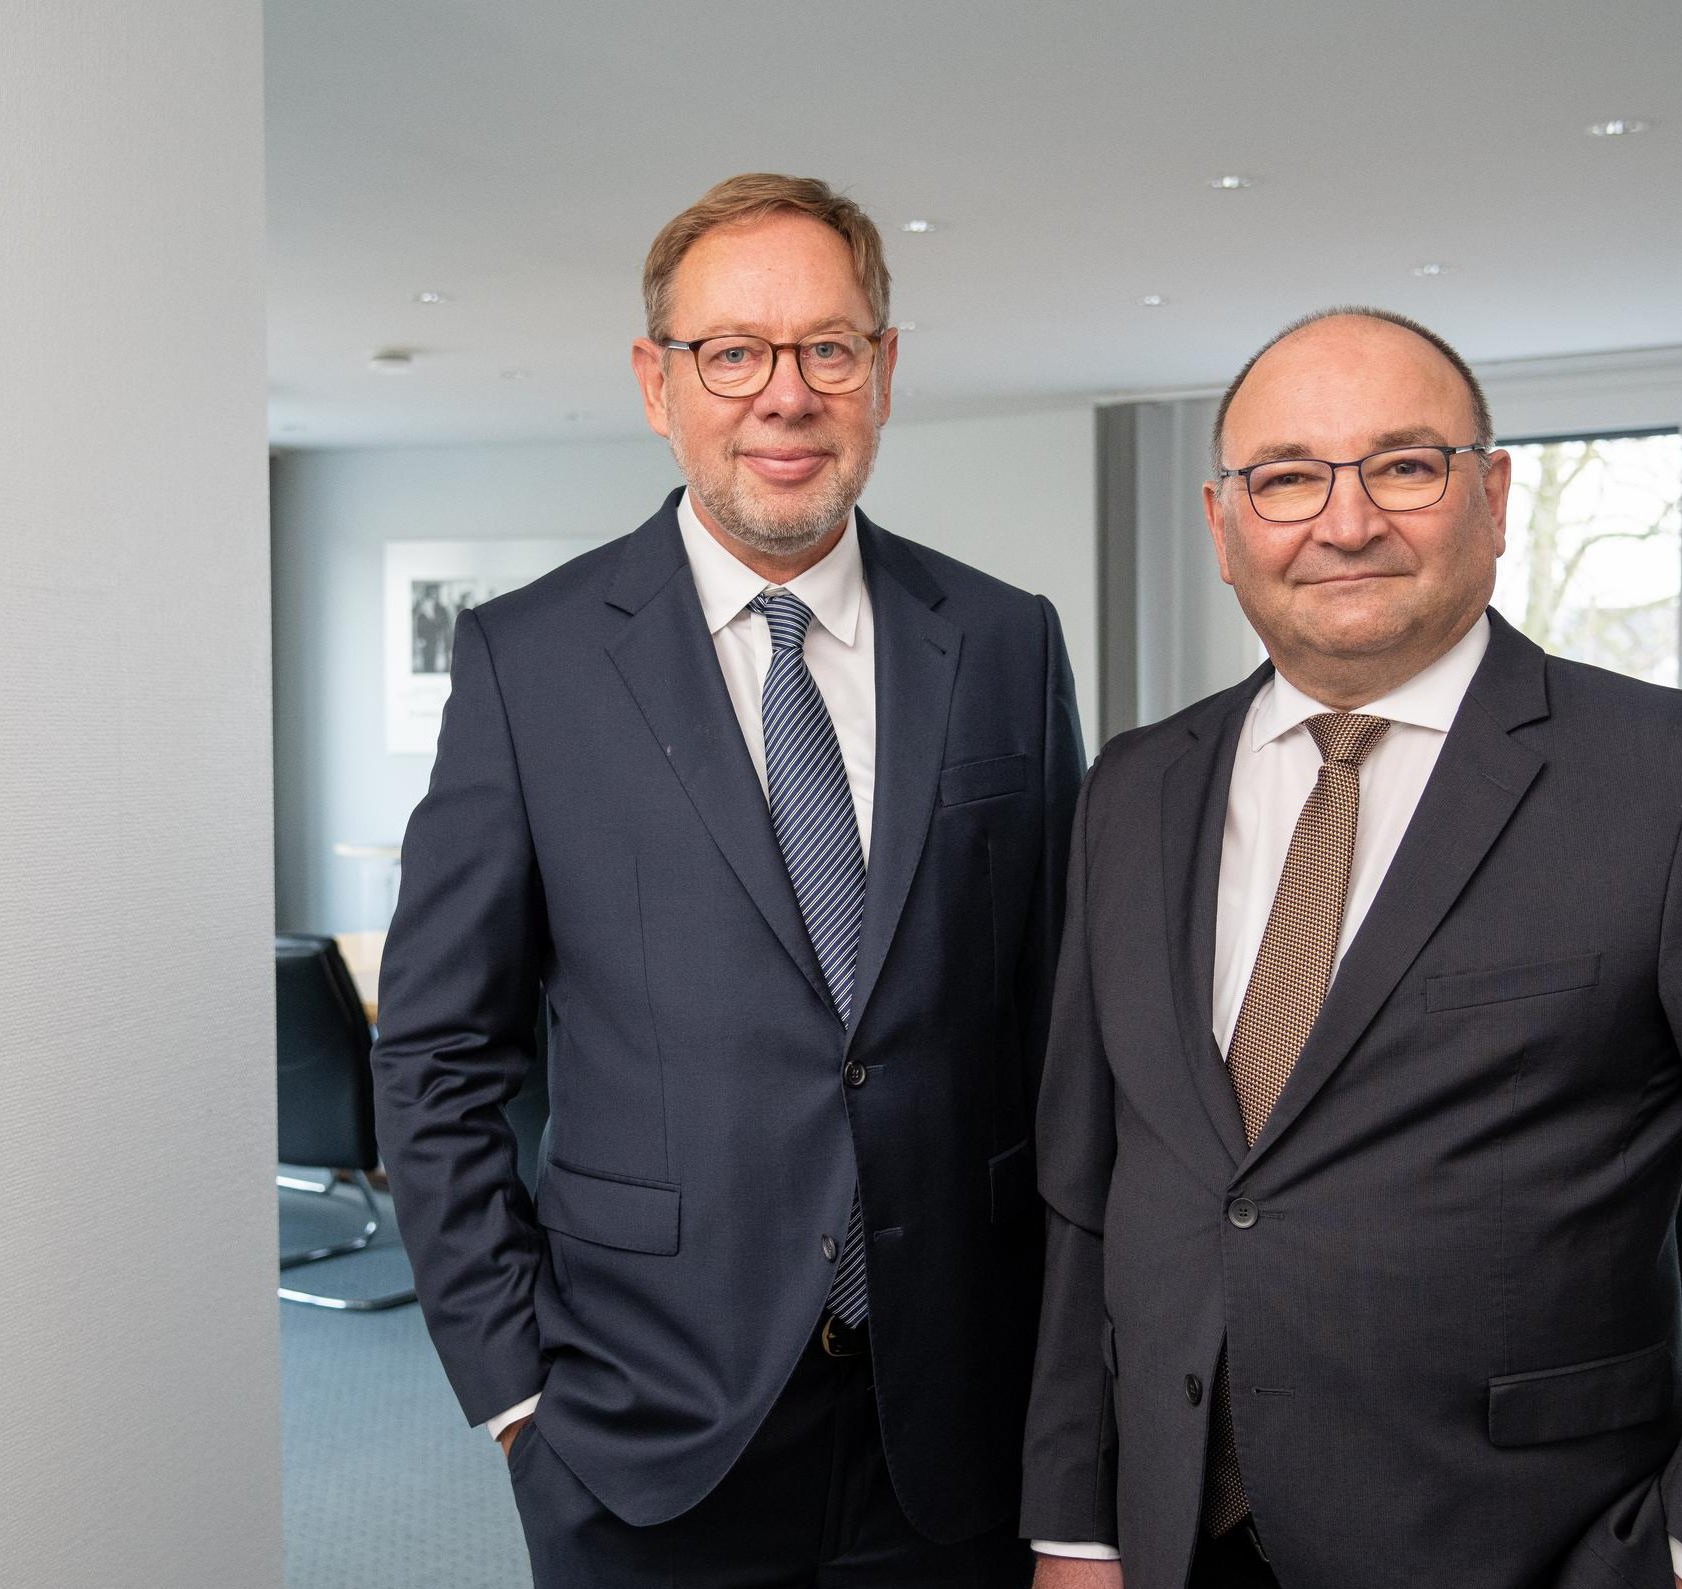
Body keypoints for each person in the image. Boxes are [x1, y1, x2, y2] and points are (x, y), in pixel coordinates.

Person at [1020, 308, 1682, 1589]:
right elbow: (1089, 1183)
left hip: (1518, 1544)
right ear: (1222, 521)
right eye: (1287, 477)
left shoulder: (1679, 781)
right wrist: (1075, 1522)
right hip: (1166, 1535)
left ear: (1494, 494)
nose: (1345, 521)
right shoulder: (1133, 787)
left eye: (1402, 466)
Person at [373, 172, 1083, 1586]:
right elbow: (439, 1048)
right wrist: (516, 1396)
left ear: (884, 371)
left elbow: (1062, 1030)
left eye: (828, 348)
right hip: (643, 1429)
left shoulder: (1005, 639)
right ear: (658, 382)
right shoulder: (532, 661)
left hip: (959, 1424)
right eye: (733, 353)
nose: (786, 395)